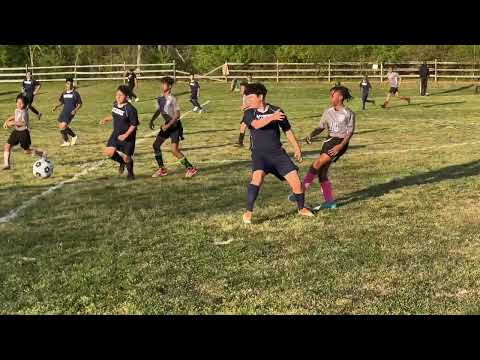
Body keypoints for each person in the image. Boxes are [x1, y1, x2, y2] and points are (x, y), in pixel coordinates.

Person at [241, 83, 314, 224]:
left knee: (297, 183)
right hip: (259, 155)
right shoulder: (249, 112)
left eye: (250, 97)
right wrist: (272, 118)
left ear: (260, 97)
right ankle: (248, 213)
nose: (248, 101)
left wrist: (297, 148)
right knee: (257, 179)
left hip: (278, 155)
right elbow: (256, 125)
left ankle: (301, 209)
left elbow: (287, 130)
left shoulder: (276, 110)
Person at [296, 86, 355, 210]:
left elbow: (349, 132)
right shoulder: (328, 111)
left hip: (338, 143)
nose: (330, 98)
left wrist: (340, 146)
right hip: (328, 141)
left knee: (316, 164)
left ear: (340, 97)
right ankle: (329, 202)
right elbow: (321, 127)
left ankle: (301, 191)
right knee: (322, 173)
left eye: (333, 95)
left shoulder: (348, 113)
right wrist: (311, 135)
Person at [149, 76, 198, 178]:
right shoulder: (160, 98)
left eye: (164, 84)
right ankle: (162, 169)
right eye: (162, 83)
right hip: (167, 125)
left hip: (174, 125)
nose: (162, 85)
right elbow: (159, 110)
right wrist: (152, 120)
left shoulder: (173, 99)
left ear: (170, 86)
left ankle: (191, 169)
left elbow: (177, 115)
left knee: (174, 150)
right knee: (156, 145)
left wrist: (167, 126)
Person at [100, 85, 138, 180]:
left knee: (127, 158)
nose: (118, 97)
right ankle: (121, 162)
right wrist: (106, 119)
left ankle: (130, 174)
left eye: (120, 95)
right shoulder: (115, 104)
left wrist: (126, 135)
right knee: (109, 152)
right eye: (117, 95)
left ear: (126, 96)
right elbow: (115, 115)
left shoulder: (130, 109)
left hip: (128, 137)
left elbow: (134, 125)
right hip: (116, 134)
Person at [2, 94, 47, 170]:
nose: (19, 104)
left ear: (25, 104)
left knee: (26, 151)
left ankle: (42, 153)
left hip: (23, 133)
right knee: (7, 146)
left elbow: (23, 123)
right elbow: (15, 116)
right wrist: (7, 120)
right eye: (18, 102)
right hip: (16, 131)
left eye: (21, 103)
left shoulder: (24, 113)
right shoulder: (17, 110)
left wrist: (12, 123)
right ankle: (7, 164)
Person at [52, 78, 82, 147]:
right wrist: (56, 106)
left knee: (63, 126)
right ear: (65, 84)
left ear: (72, 84)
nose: (69, 85)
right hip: (64, 111)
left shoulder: (75, 93)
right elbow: (62, 102)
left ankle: (74, 136)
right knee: (60, 126)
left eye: (71, 84)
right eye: (68, 84)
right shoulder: (64, 92)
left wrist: (75, 110)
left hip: (70, 112)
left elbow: (80, 104)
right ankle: (66, 142)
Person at [236, 81, 250, 147]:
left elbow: (252, 103)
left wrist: (244, 106)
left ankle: (254, 144)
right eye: (240, 88)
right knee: (242, 126)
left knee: (252, 129)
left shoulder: (249, 95)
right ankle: (240, 142)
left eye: (242, 88)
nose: (241, 89)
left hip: (250, 113)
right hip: (247, 113)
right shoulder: (245, 94)